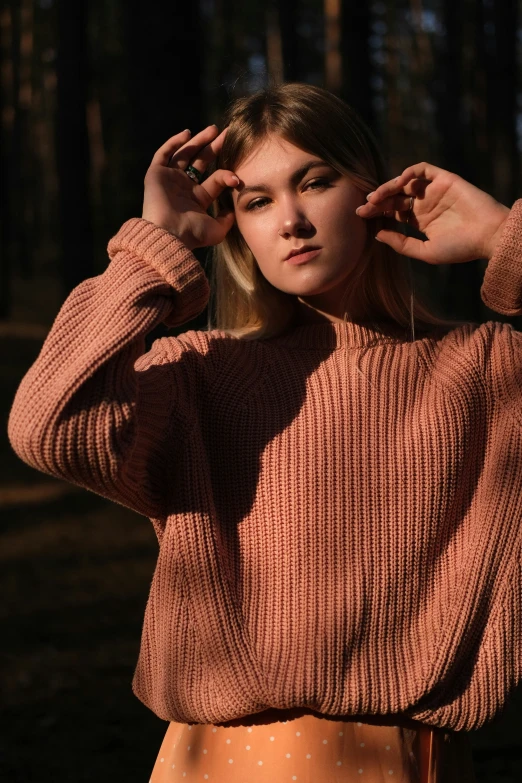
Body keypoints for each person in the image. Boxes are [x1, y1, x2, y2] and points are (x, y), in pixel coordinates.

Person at [7, 82, 522, 783]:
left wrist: (505, 240)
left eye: (315, 181)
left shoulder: (488, 370)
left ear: (373, 187)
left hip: (416, 760)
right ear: (237, 226)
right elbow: (50, 426)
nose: (291, 221)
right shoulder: (203, 374)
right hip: (222, 762)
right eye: (257, 200)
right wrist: (149, 252)